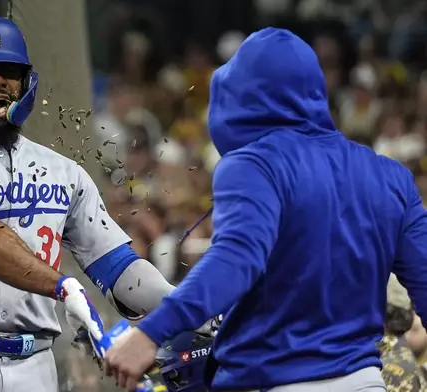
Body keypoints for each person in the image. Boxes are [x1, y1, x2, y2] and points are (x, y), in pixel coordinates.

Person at [104, 27, 427, 391]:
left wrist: (150, 333)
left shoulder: (253, 165)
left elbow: (236, 260)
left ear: (241, 94)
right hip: (366, 381)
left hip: (271, 381)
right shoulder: (392, 178)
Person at [0, 16, 174, 392]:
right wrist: (63, 287)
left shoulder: (64, 171)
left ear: (26, 81)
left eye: (9, 71)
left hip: (35, 367)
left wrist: (185, 306)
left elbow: (117, 266)